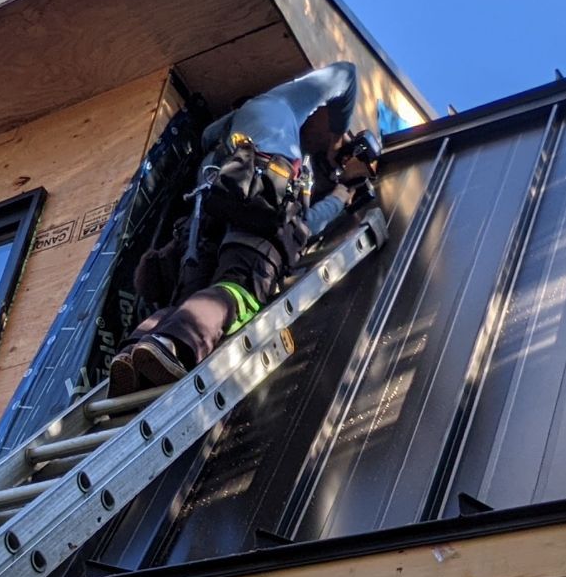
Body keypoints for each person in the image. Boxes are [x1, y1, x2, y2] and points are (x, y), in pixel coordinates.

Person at [108, 61, 379, 394]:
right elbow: (347, 74)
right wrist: (338, 148)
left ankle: (132, 355)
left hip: (202, 228)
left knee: (187, 303)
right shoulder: (284, 107)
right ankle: (172, 346)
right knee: (240, 291)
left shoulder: (226, 142)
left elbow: (209, 136)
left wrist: (334, 183)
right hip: (256, 219)